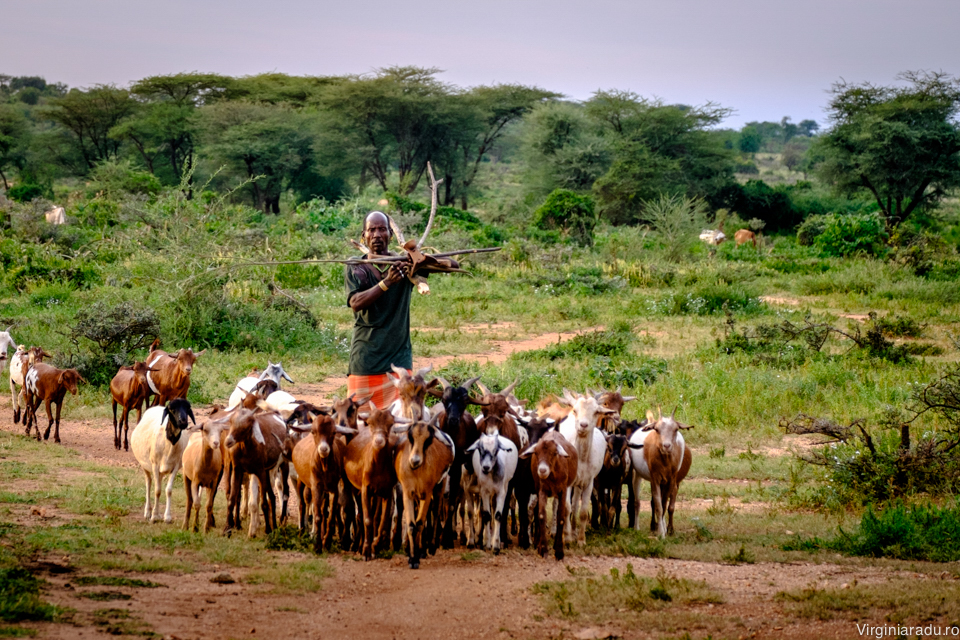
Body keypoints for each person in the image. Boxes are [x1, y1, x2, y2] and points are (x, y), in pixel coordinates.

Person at [345, 211, 416, 410]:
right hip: (366, 360)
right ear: (364, 235)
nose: (377, 234)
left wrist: (418, 257)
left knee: (402, 424)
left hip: (399, 361)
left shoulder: (406, 266)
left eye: (382, 229)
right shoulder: (356, 266)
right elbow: (356, 302)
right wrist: (387, 282)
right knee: (359, 425)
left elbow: (451, 264)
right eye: (372, 229)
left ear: (390, 235)